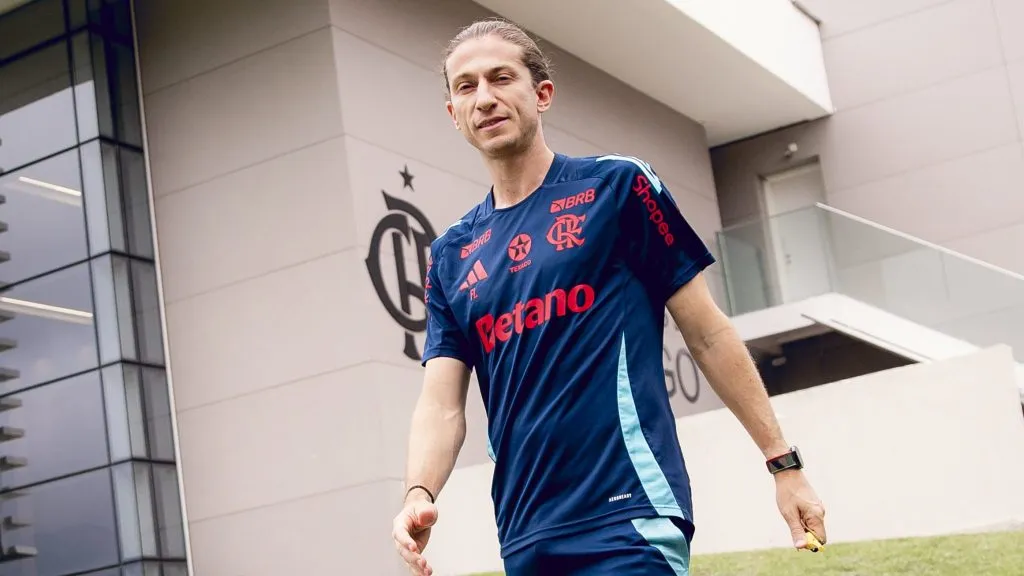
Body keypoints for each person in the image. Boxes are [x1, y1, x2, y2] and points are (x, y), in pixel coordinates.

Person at [391, 18, 827, 576]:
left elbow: (707, 333)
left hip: (630, 514)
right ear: (454, 114)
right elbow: (441, 403)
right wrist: (418, 492)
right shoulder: (452, 253)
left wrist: (783, 464)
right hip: (525, 533)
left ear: (542, 93)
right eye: (466, 86)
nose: (485, 98)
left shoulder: (618, 186)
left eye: (501, 78)